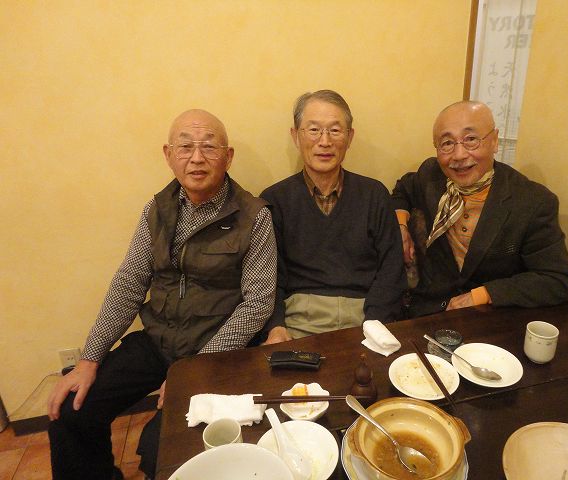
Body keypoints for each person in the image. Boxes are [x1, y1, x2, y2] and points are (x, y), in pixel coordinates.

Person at [47, 109, 277, 480]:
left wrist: (193, 371)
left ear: (228, 156)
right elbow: (129, 282)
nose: (197, 158)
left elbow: (257, 304)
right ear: (168, 155)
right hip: (158, 340)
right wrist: (89, 358)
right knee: (72, 410)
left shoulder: (254, 216)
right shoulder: (156, 209)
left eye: (209, 147)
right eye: (185, 147)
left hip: (215, 350)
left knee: (162, 448)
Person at [391, 100, 568, 316]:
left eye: (471, 139)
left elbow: (555, 280)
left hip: (489, 318)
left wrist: (483, 295)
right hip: (427, 310)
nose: (459, 155)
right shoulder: (431, 174)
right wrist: (401, 227)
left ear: (494, 140)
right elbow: (402, 191)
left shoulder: (533, 201)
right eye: (447, 143)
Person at [260, 90, 405, 344]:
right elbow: (269, 277)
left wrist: (375, 326)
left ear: (350, 137)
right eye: (314, 130)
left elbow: (391, 270)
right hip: (298, 319)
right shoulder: (275, 199)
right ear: (295, 136)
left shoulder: (374, 194)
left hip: (365, 317)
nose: (324, 141)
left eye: (335, 131)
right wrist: (276, 326)